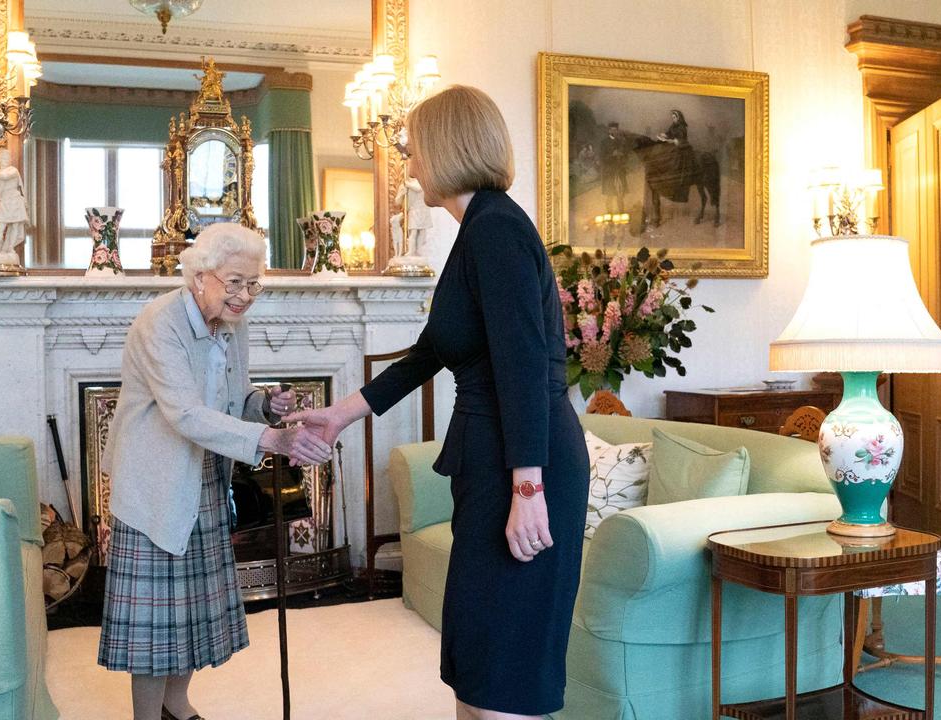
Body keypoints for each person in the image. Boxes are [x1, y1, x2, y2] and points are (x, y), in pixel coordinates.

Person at [286, 85, 588, 720]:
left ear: (450, 147)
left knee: (505, 664)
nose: (410, 162)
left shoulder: (496, 229)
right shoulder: (478, 228)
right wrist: (342, 412)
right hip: (495, 461)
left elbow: (525, 368)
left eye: (415, 148)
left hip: (522, 465)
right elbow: (433, 350)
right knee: (479, 660)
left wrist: (527, 490)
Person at [97, 223, 332, 720]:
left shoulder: (231, 324)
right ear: (200, 276)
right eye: (235, 282)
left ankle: (176, 706)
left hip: (205, 477)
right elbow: (183, 413)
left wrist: (266, 406)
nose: (245, 296)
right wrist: (273, 440)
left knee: (190, 612)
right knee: (156, 626)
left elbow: (229, 402)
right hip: (155, 481)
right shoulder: (160, 323)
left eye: (254, 284)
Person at [0, 147, 30, 255]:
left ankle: (10, 248)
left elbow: (5, 176)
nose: (5, 159)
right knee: (1, 226)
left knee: (15, 225)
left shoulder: (13, 170)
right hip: (4, 201)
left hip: (15, 200)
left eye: (7, 157)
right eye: (3, 157)